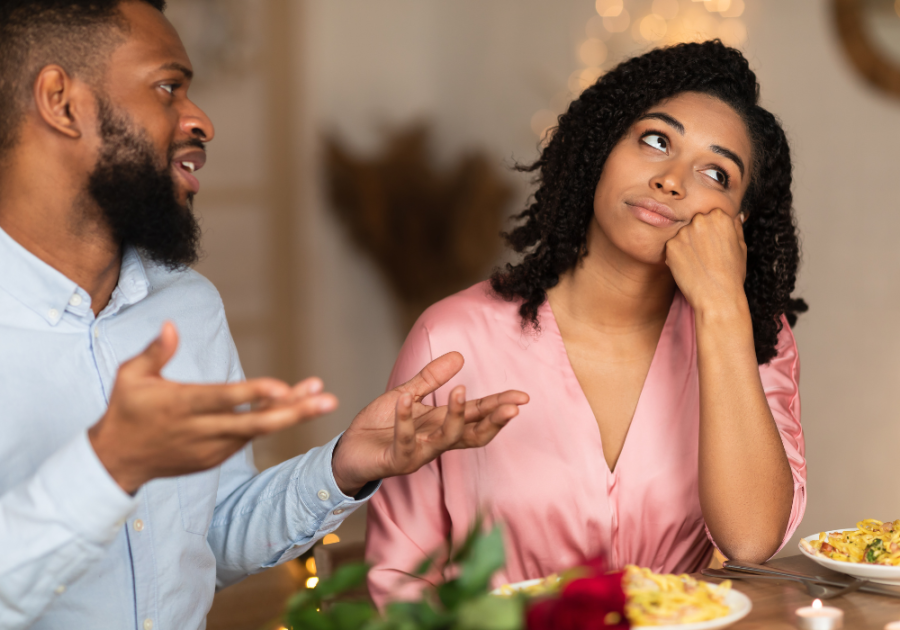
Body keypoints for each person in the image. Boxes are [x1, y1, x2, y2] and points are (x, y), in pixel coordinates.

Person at [0, 1, 529, 628]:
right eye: (168, 88)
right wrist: (111, 465)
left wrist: (344, 467)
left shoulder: (187, 307)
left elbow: (210, 538)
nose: (201, 122)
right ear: (61, 101)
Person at [366, 40, 808, 606]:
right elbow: (398, 587)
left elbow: (749, 540)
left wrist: (722, 307)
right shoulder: (451, 337)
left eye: (716, 173)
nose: (671, 180)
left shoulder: (754, 339)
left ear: (737, 220)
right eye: (655, 140)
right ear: (602, 148)